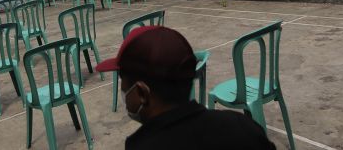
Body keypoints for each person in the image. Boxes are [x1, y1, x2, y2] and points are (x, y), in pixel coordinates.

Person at [96, 26, 276, 150]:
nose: (122, 90)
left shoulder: (141, 145)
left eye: (122, 81)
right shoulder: (242, 127)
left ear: (142, 93)